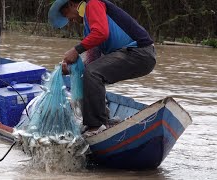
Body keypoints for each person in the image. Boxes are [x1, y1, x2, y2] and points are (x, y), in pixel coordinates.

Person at [48, 0, 156, 136]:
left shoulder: (93, 3)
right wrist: (69, 70)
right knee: (90, 74)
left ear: (72, 5)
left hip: (139, 52)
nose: (70, 20)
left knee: (93, 74)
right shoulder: (89, 27)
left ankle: (97, 126)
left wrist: (76, 50)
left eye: (66, 14)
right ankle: (103, 119)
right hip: (133, 54)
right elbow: (92, 61)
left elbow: (101, 33)